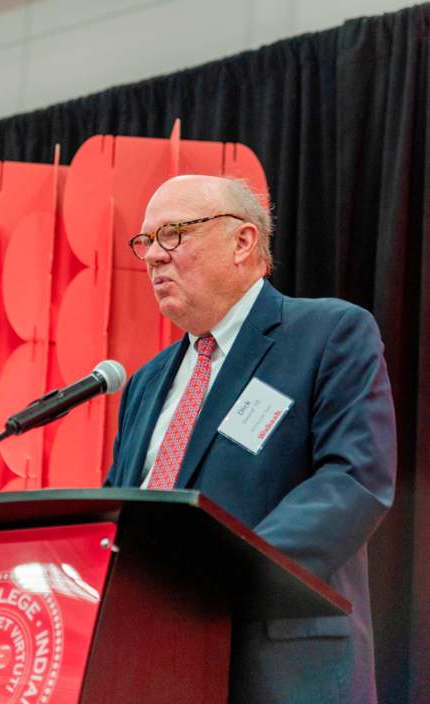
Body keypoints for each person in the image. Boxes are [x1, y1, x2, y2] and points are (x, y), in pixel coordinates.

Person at [105, 174, 396, 704]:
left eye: (172, 234)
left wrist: (223, 578)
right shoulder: (144, 384)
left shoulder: (329, 333)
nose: (152, 257)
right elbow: (117, 516)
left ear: (242, 242)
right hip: (152, 665)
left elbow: (353, 480)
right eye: (144, 241)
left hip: (280, 667)